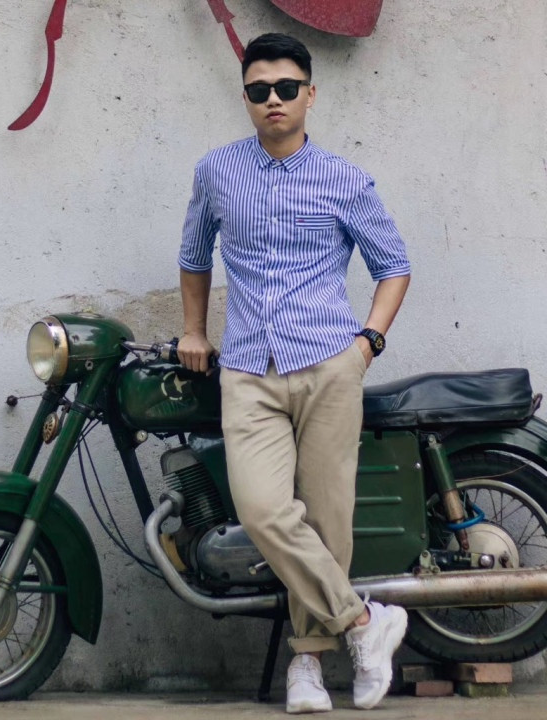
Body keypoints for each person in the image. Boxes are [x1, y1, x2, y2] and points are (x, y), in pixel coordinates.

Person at [177, 33, 411, 713]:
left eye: (285, 88)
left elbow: (393, 265)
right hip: (249, 368)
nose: (272, 100)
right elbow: (194, 255)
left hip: (329, 363)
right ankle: (364, 622)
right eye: (259, 90)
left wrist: (368, 342)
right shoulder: (217, 171)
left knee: (329, 521)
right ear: (246, 98)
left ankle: (307, 665)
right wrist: (194, 329)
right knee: (263, 510)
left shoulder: (345, 178)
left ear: (310, 94)